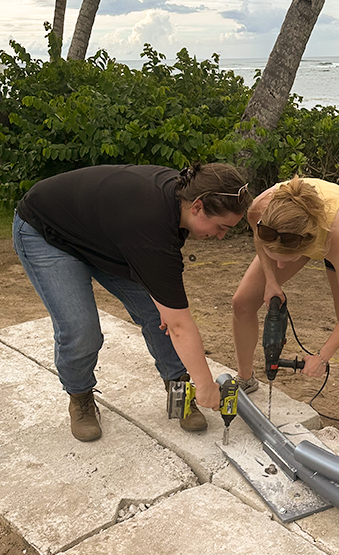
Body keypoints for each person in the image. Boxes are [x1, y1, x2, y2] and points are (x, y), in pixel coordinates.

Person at [13, 162, 252, 441]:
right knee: (81, 329)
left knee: (156, 312)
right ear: (198, 207)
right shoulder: (151, 222)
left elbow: (169, 312)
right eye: (221, 227)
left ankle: (180, 390)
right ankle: (80, 398)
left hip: (106, 237)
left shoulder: (181, 201)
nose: (222, 236)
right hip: (47, 232)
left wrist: (167, 309)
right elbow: (179, 326)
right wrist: (206, 384)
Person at [232, 175, 339, 439]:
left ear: (306, 247)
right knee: (242, 302)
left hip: (337, 229)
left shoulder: (338, 235)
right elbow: (259, 238)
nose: (281, 267)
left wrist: (322, 356)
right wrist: (270, 281)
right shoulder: (260, 209)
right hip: (292, 232)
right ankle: (245, 378)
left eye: (285, 261)